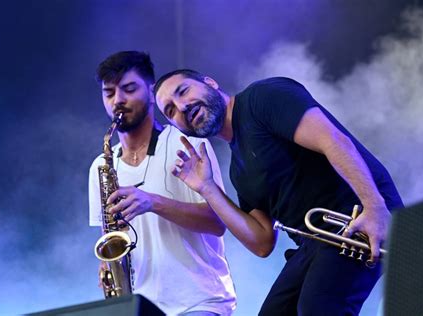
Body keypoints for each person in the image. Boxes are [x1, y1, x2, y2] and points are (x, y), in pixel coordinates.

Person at [154, 70, 404, 315]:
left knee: (319, 307)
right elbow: (262, 242)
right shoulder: (238, 170)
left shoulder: (262, 98)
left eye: (183, 91)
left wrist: (375, 207)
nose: (182, 106)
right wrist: (207, 188)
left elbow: (333, 141)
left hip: (359, 215)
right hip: (316, 241)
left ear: (210, 82)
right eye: (170, 110)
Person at [88, 52, 236, 315]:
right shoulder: (101, 166)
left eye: (129, 89)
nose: (118, 100)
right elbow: (109, 238)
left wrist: (152, 202)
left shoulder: (189, 144)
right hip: (141, 306)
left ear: (151, 90)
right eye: (109, 93)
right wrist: (108, 267)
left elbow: (217, 223)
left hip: (199, 302)